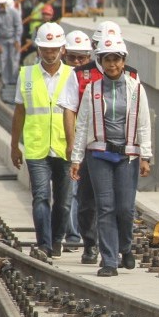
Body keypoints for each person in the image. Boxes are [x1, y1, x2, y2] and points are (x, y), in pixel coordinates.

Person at [69, 36, 152, 277]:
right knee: (104, 207)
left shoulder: (136, 89)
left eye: (116, 59)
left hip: (127, 156)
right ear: (101, 61)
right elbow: (82, 124)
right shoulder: (93, 89)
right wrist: (76, 159)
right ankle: (108, 260)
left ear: (123, 61)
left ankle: (125, 247)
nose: (112, 64)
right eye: (107, 59)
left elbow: (144, 124)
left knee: (125, 209)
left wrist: (145, 155)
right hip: (98, 154)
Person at [58, 21, 137, 265]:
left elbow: (140, 115)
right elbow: (71, 111)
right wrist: (74, 146)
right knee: (88, 202)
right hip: (92, 148)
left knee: (119, 205)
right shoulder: (81, 75)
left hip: (122, 151)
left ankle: (115, 250)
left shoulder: (132, 76)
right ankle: (91, 243)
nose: (112, 62)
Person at [11, 22, 74, 262]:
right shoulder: (26, 75)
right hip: (36, 148)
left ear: (62, 49)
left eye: (54, 49)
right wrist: (14, 145)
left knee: (64, 203)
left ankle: (57, 239)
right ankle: (44, 244)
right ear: (38, 49)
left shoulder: (72, 76)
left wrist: (75, 145)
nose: (49, 53)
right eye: (45, 49)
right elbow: (20, 112)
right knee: (40, 197)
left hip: (64, 148)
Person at [60, 30, 93, 250]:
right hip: (64, 143)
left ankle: (87, 234)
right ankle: (73, 235)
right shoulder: (61, 76)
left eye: (82, 57)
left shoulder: (92, 77)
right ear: (65, 55)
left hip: (90, 143)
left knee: (88, 192)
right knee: (70, 191)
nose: (77, 62)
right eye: (73, 57)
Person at [0, 0, 22, 87]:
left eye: (2, 4)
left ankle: (13, 80)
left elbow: (18, 26)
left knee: (13, 60)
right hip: (2, 40)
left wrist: (17, 40)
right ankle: (5, 81)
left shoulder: (14, 13)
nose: (0, 6)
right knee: (3, 60)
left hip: (13, 39)